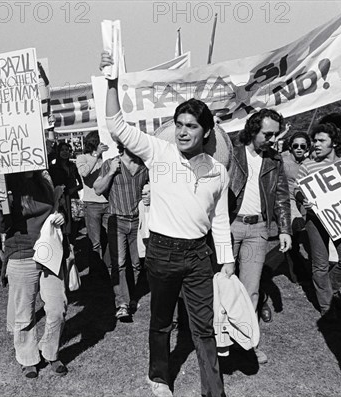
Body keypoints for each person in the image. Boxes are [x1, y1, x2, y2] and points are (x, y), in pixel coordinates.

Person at [100, 52, 234, 397]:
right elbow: (116, 124)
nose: (183, 131)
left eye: (191, 126)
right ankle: (159, 377)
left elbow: (218, 218)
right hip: (161, 252)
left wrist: (227, 259)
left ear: (206, 132)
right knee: (161, 322)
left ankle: (213, 391)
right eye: (179, 124)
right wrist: (112, 82)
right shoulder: (159, 152)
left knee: (205, 329)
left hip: (198, 257)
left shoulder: (218, 171)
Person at [228, 108, 292, 363]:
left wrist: (285, 229)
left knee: (250, 290)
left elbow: (281, 197)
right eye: (268, 134)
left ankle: (247, 344)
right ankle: (219, 341)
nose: (273, 139)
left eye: (275, 135)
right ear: (253, 130)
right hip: (230, 227)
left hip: (258, 231)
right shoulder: (231, 154)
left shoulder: (275, 161)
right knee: (223, 284)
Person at [0, 171, 68, 379]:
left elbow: (57, 211)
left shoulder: (44, 181)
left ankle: (50, 351)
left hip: (49, 251)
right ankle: (27, 358)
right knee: (24, 312)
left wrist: (61, 216)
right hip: (21, 253)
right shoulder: (5, 184)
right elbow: (0, 226)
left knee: (56, 308)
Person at [295, 123, 341, 320]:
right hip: (315, 220)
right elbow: (297, 189)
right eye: (315, 141)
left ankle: (331, 288)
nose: (316, 144)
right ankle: (327, 308)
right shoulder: (307, 165)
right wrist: (304, 200)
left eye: (321, 141)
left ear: (334, 143)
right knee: (319, 264)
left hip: (340, 220)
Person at [94, 143, 149, 321]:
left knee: (136, 264)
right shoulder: (111, 164)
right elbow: (97, 189)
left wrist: (150, 194)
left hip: (137, 221)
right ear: (123, 146)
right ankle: (122, 304)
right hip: (116, 220)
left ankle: (132, 298)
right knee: (119, 263)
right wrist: (110, 173)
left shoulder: (143, 165)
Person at [76, 131, 109, 275]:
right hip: (92, 204)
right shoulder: (82, 157)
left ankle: (108, 269)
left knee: (108, 239)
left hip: (108, 203)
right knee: (94, 242)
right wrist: (96, 155)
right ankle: (96, 272)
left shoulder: (106, 157)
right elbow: (84, 173)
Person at [281, 131, 312, 283]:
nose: (299, 149)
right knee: (295, 232)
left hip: (303, 202)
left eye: (302, 146)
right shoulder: (283, 162)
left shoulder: (308, 163)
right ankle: (298, 273)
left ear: (307, 148)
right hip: (287, 202)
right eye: (295, 146)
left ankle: (302, 270)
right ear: (291, 147)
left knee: (302, 236)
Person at [48, 141, 83, 240]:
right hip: (60, 199)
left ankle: (72, 246)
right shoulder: (53, 168)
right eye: (62, 150)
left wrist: (74, 189)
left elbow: (81, 183)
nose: (65, 152)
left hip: (73, 198)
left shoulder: (72, 166)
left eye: (67, 150)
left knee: (75, 223)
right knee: (62, 223)